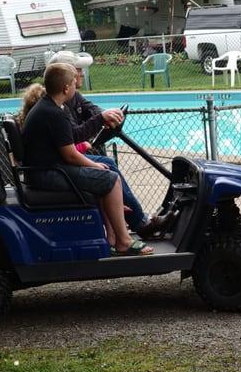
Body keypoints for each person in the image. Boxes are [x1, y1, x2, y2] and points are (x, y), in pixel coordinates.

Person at [22, 63, 153, 256]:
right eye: (74, 82)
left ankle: (112, 237)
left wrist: (100, 118)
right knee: (110, 179)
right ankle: (124, 241)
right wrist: (95, 166)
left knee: (107, 165)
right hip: (47, 174)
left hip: (50, 167)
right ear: (66, 88)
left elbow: (74, 134)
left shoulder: (52, 106)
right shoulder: (53, 113)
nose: (77, 85)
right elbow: (70, 155)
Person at [47, 51, 175, 239]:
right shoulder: (57, 107)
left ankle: (129, 228)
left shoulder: (69, 97)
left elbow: (91, 110)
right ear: (66, 78)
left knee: (108, 164)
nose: (81, 75)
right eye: (78, 71)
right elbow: (74, 137)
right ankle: (136, 227)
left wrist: (105, 116)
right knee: (108, 172)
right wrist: (99, 120)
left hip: (61, 159)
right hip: (57, 165)